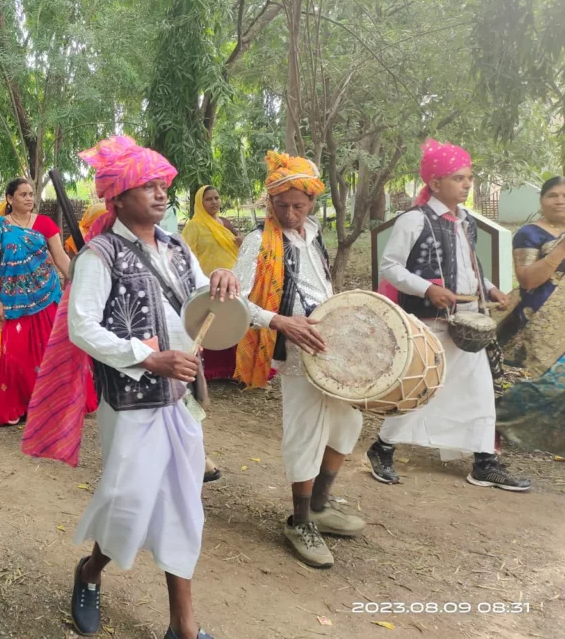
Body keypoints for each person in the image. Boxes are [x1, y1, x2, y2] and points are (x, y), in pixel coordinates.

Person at [33, 136, 237, 639]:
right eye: (146, 186)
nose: (160, 193)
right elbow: (83, 327)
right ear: (117, 199)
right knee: (129, 502)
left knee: (182, 502)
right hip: (129, 402)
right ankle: (90, 571)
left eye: (161, 184)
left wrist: (230, 286)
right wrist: (148, 357)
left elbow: (197, 303)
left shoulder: (175, 245)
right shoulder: (97, 256)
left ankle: (182, 627)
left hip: (181, 400)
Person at [369, 139, 530, 491]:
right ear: (435, 183)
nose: (467, 184)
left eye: (469, 177)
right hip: (429, 321)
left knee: (479, 390)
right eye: (459, 178)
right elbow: (391, 267)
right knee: (422, 387)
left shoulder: (466, 221)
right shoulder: (414, 219)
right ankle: (382, 447)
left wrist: (488, 288)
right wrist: (427, 289)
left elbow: (468, 267)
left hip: (467, 321)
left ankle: (484, 461)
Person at [233, 152, 363, 569]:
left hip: (332, 345)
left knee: (348, 422)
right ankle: (300, 521)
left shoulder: (314, 232)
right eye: (281, 205)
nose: (290, 213)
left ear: (311, 202)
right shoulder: (258, 241)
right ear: (270, 202)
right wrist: (280, 322)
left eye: (298, 205)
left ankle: (321, 507)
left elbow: (320, 282)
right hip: (295, 353)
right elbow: (237, 301)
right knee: (306, 431)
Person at [0, 179, 72, 426]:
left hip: (48, 295)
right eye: (22, 194)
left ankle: (51, 407)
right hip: (13, 301)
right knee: (15, 356)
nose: (28, 198)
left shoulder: (45, 224)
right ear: (10, 199)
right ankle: (17, 406)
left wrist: (77, 278)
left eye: (31, 194)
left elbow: (61, 257)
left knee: (50, 353)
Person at [495, 177, 565, 453]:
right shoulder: (529, 234)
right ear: (542, 201)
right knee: (546, 382)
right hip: (542, 316)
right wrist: (559, 250)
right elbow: (527, 281)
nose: (560, 200)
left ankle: (553, 437)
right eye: (553, 195)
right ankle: (498, 419)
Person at [183, 186, 241, 382]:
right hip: (207, 283)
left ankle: (234, 370)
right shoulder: (194, 226)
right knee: (211, 325)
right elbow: (186, 256)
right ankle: (211, 372)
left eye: (216, 197)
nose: (214, 202)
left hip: (232, 281)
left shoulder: (225, 223)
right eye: (209, 199)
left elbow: (236, 245)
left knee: (232, 323)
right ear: (200, 202)